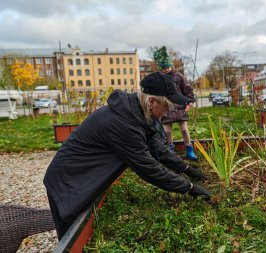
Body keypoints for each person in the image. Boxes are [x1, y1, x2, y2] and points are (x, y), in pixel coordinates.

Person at [43, 72, 210, 240]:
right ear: (152, 101)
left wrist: (186, 169)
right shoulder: (124, 124)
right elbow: (149, 169)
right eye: (166, 108)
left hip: (83, 176)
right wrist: (189, 187)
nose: (167, 113)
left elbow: (157, 148)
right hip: (68, 182)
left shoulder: (137, 112)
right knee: (72, 236)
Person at [153, 46, 198, 160]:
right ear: (161, 68)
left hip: (180, 108)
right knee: (167, 131)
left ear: (171, 65)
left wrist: (190, 101)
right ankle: (171, 151)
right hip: (166, 108)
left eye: (168, 67)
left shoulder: (178, 76)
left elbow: (187, 89)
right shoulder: (159, 78)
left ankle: (189, 150)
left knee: (184, 129)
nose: (166, 69)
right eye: (164, 68)